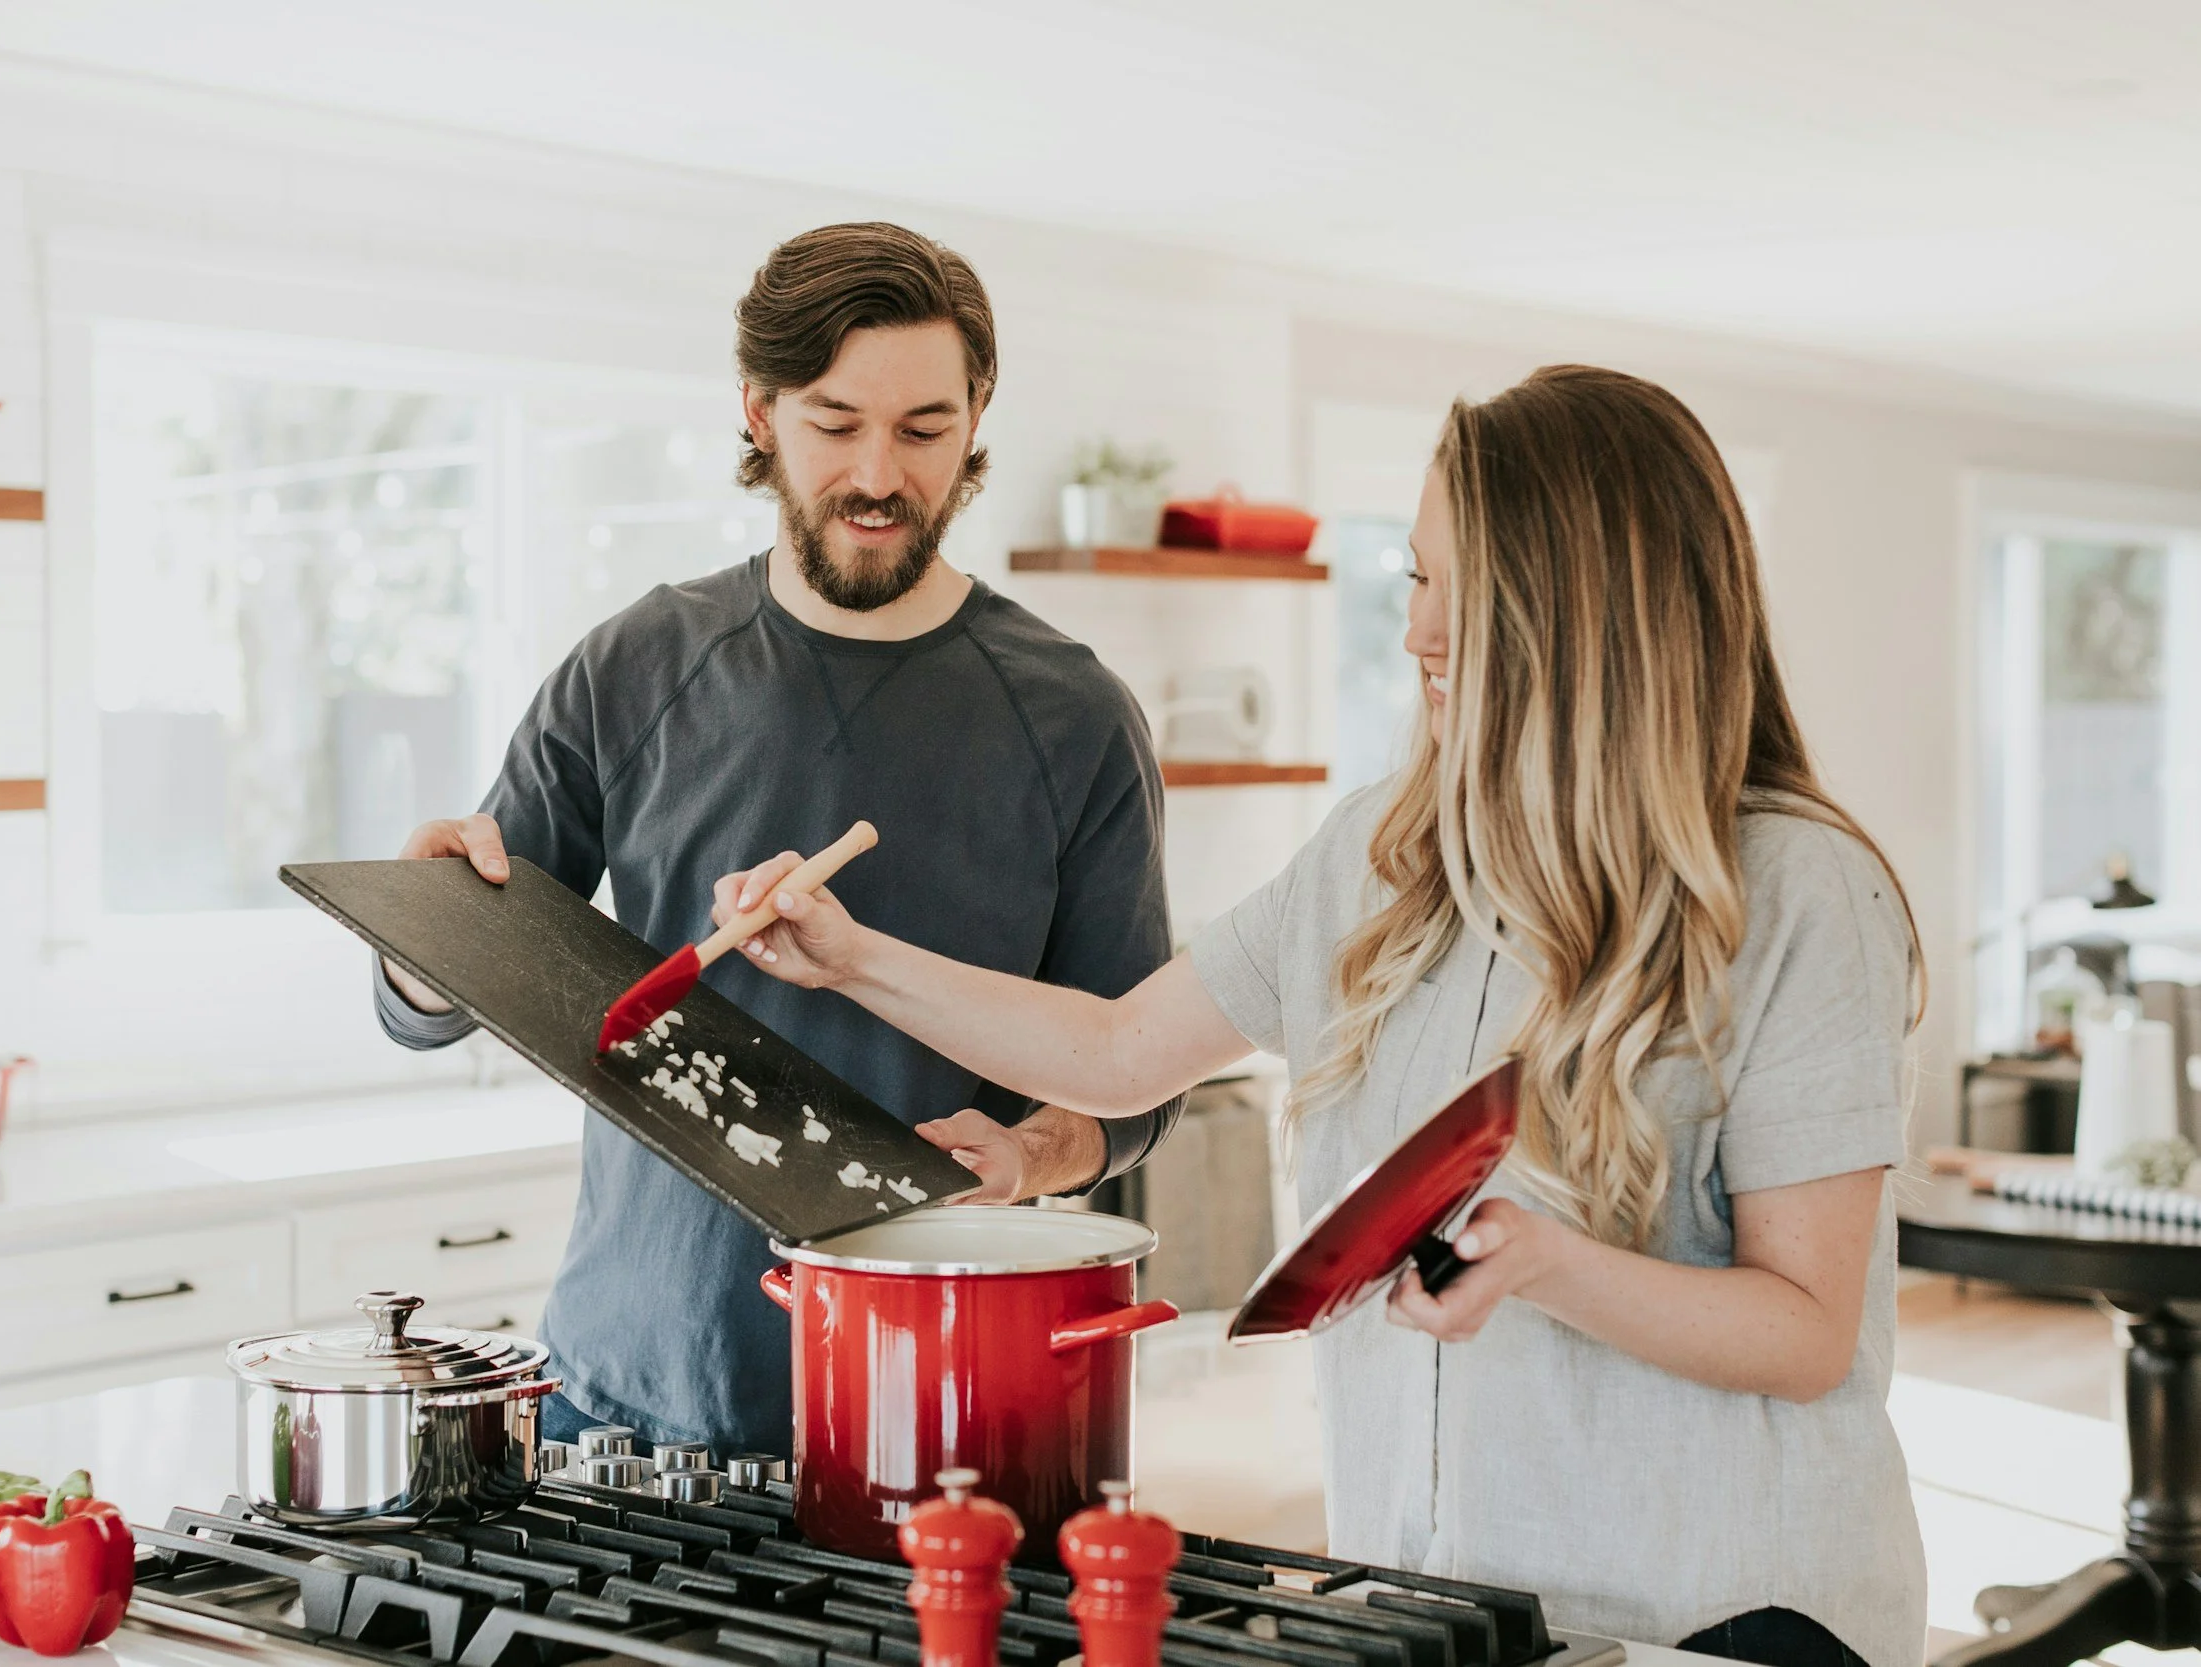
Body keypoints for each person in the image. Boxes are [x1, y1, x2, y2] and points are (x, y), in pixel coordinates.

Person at [715, 365, 1926, 1667]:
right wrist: (849, 956)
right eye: (1415, 577)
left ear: (1594, 611)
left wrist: (1551, 1261)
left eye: (1469, 588)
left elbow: (1807, 1328)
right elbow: (1121, 1050)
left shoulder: (1798, 888)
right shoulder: (1378, 857)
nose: (1420, 633)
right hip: (1440, 1607)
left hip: (1723, 1615)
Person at [373, 221, 1183, 1459]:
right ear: (758, 411)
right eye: (833, 422)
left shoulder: (1073, 717)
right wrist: (420, 940)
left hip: (939, 1407)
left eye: (921, 429)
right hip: (621, 1400)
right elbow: (448, 983)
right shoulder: (633, 665)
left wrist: (1032, 1151)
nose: (878, 472)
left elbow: (1136, 1081)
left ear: (975, 417)